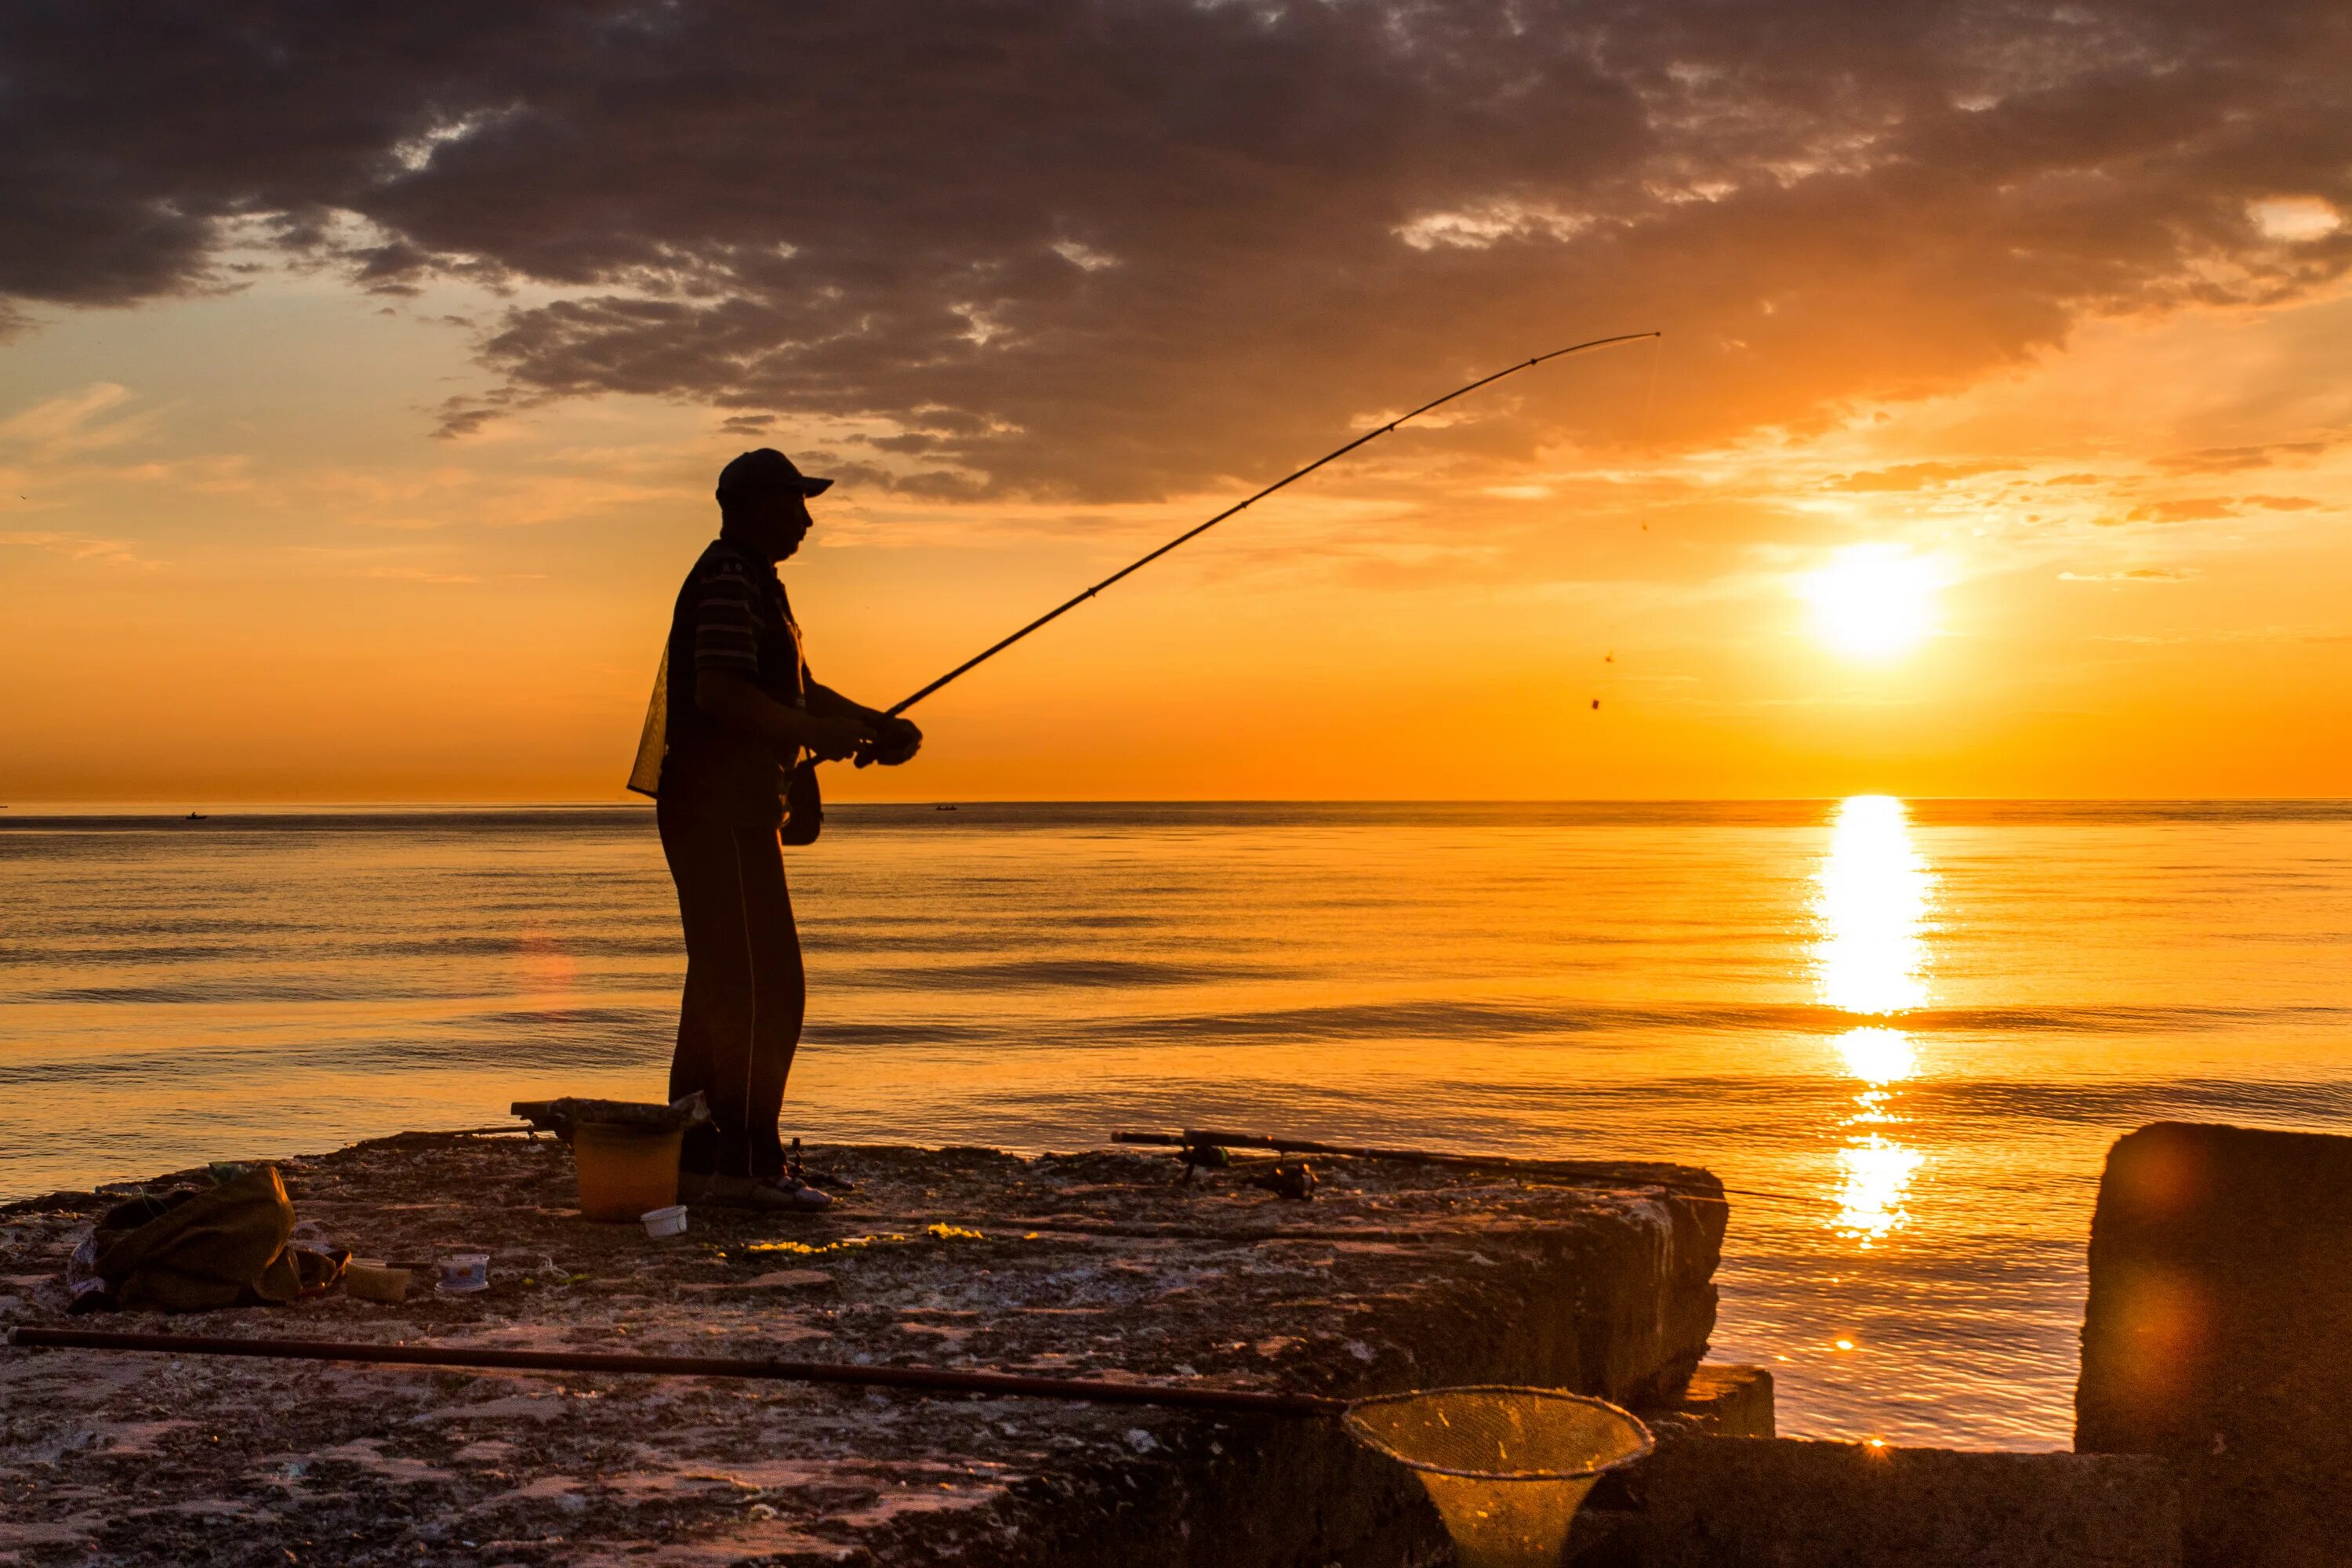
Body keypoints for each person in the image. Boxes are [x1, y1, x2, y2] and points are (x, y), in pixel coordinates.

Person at [651, 449, 920, 1210]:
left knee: (725, 983)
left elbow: (796, 690)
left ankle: (701, 1158)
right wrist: (816, 731)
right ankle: (742, 1165)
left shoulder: (758, 584)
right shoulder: (731, 579)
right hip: (717, 810)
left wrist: (869, 723)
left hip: (734, 810)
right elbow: (721, 692)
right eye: (794, 502)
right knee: (762, 989)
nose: (806, 517)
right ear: (750, 506)